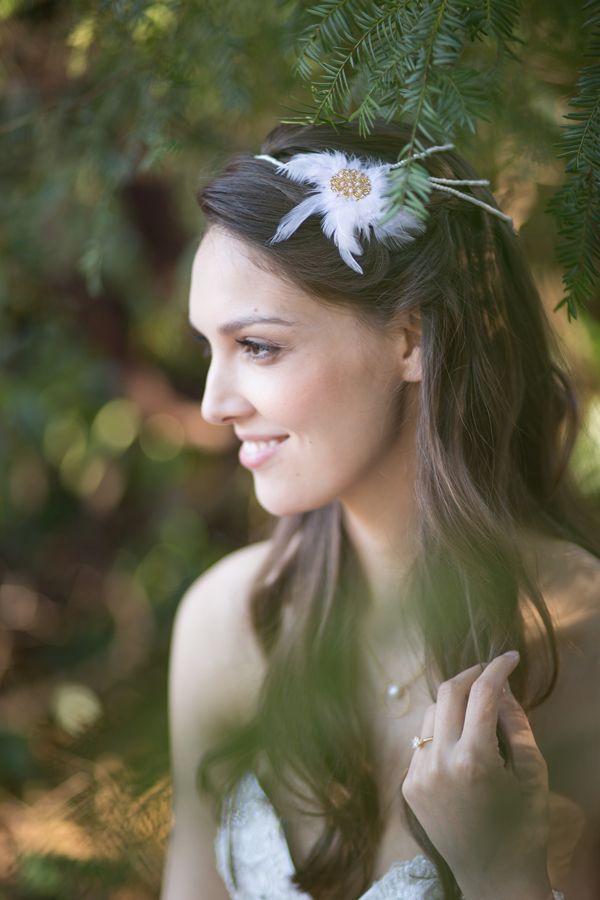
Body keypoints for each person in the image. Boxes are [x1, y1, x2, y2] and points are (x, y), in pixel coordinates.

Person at [160, 121, 600, 900]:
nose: (214, 404)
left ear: (412, 336)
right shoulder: (224, 624)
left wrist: (502, 872)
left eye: (257, 346)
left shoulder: (585, 643)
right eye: (209, 349)